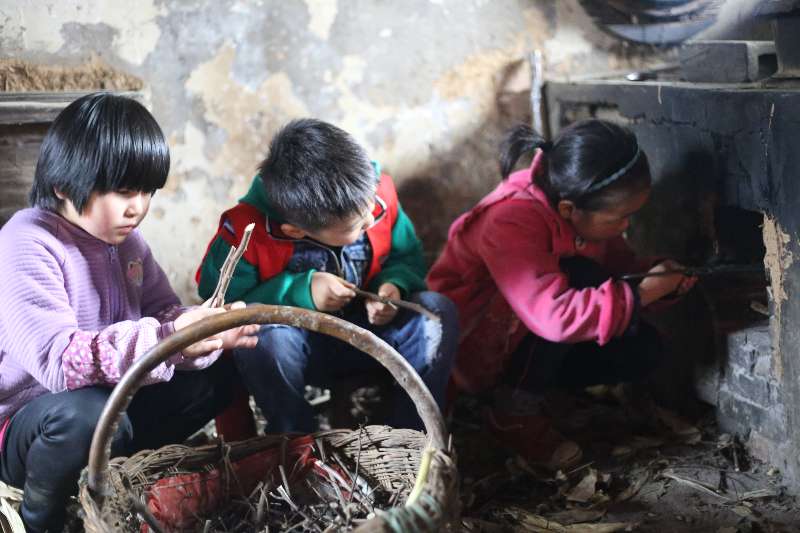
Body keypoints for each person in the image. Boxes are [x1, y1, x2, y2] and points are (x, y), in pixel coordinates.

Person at [0, 92, 259, 532]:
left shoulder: (129, 246)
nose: (138, 206)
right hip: (31, 426)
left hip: (113, 409)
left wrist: (208, 333)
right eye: (123, 191)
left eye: (147, 191)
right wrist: (172, 336)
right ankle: (40, 518)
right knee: (88, 415)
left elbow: (163, 312)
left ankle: (140, 480)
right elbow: (60, 363)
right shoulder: (28, 240)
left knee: (219, 376)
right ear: (64, 184)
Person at [427, 120, 696, 469]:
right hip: (470, 345)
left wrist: (661, 276)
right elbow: (554, 316)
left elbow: (617, 264)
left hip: (527, 328)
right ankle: (511, 415)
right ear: (570, 209)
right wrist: (644, 291)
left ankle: (543, 397)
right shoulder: (509, 221)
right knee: (580, 277)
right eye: (622, 217)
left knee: (643, 349)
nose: (627, 226)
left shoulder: (576, 200)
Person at [196, 118, 458, 433]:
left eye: (370, 213)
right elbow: (220, 308)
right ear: (295, 230)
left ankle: (410, 437)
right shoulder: (244, 233)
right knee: (263, 339)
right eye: (357, 226)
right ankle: (298, 444)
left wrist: (393, 286)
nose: (369, 222)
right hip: (301, 355)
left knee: (435, 312)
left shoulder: (377, 193)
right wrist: (301, 291)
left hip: (372, 338)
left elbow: (407, 256)